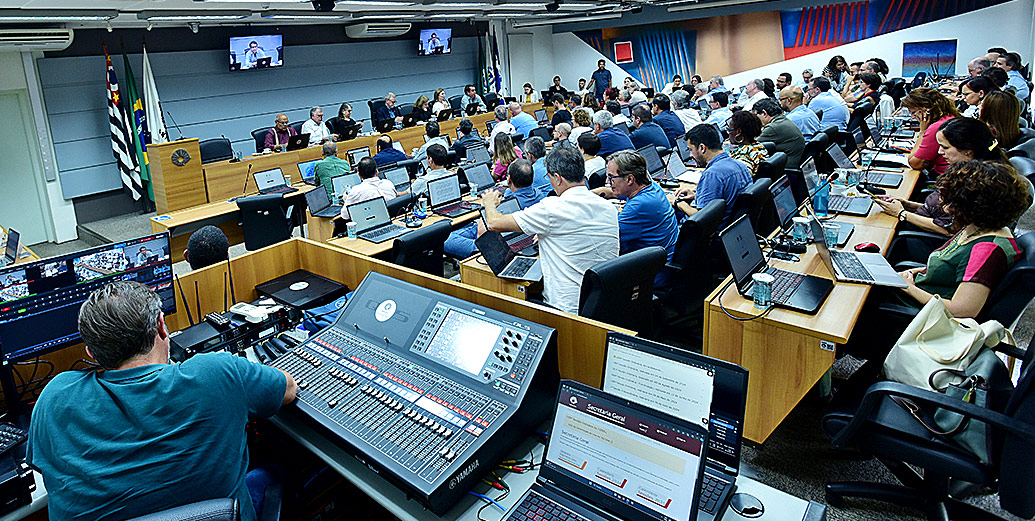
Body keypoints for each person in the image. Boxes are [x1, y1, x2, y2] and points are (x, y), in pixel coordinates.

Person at [28, 281, 296, 521]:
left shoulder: (55, 397)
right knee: (274, 471)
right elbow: (288, 389)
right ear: (161, 326)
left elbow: (49, 472)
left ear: (93, 354)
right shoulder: (217, 373)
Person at [483, 147, 619, 314]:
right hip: (603, 303)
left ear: (558, 178)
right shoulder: (608, 207)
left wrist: (489, 203)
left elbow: (494, 223)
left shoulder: (552, 208)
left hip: (565, 310)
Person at [895, 160, 1027, 318]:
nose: (944, 207)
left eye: (951, 202)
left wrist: (908, 287)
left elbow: (962, 310)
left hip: (921, 315)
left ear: (974, 206)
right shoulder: (977, 227)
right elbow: (946, 269)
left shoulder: (987, 250)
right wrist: (909, 273)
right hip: (917, 293)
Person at [874, 117, 1009, 236]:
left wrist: (901, 213)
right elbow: (942, 213)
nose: (940, 152)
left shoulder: (977, 183)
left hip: (924, 239)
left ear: (968, 150)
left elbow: (949, 228)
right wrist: (906, 204)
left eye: (945, 147)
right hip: (918, 224)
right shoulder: (969, 172)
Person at [591, 150, 679, 288]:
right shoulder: (651, 187)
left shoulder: (638, 206)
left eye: (611, 177)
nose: (608, 182)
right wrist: (581, 197)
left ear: (630, 179)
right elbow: (608, 192)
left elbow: (605, 242)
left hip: (653, 275)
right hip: (664, 263)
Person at [443, 159, 545, 259]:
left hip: (498, 241)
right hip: (520, 236)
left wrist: (488, 205)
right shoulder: (540, 195)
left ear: (509, 180)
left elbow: (482, 235)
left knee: (448, 239)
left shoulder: (511, 203)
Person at [670, 124, 752, 227]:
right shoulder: (739, 165)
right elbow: (723, 200)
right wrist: (697, 196)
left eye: (691, 150)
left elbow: (702, 218)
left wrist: (677, 202)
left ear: (702, 148)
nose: (690, 155)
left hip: (707, 233)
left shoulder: (712, 175)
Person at [901, 87, 960, 176]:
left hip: (943, 177)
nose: (912, 117)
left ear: (926, 110)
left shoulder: (936, 128)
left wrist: (922, 131)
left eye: (914, 112)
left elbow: (914, 163)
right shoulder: (949, 117)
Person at [754, 98, 805, 167]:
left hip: (787, 169)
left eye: (756, 115)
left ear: (764, 113)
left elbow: (752, 146)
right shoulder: (782, 120)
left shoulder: (773, 128)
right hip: (795, 163)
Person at [727, 110, 769, 176]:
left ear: (738, 132)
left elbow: (739, 180)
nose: (729, 133)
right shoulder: (758, 146)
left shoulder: (744, 158)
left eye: (730, 130)